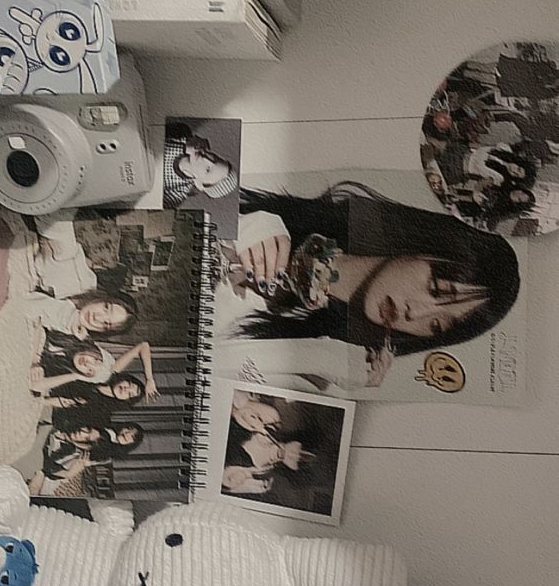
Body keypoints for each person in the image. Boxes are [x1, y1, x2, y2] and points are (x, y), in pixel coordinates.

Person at [218, 182, 520, 372]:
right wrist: (237, 228)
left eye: (438, 325)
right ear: (425, 247)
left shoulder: (320, 358)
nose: (416, 313)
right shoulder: (274, 221)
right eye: (437, 288)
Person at [30, 334, 159, 402]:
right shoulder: (111, 370)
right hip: (61, 351)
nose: (126, 388)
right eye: (130, 384)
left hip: (51, 373)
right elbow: (143, 346)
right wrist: (149, 379)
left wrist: (77, 376)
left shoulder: (101, 404)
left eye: (130, 394)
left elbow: (37, 387)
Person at [163, 122, 238, 208]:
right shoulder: (182, 132)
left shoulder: (175, 196)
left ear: (199, 184)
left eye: (208, 170)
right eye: (214, 158)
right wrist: (185, 145)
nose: (205, 159)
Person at [25, 288, 137, 341]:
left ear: (103, 332)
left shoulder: (73, 343)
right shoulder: (65, 302)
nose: (97, 317)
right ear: (101, 299)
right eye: (106, 308)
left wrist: (74, 341)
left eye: (106, 324)